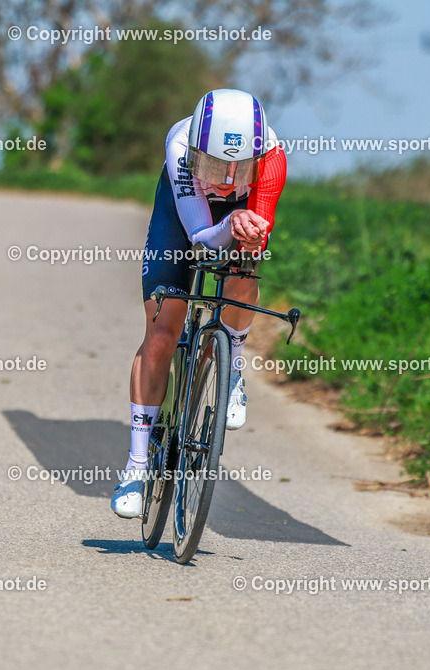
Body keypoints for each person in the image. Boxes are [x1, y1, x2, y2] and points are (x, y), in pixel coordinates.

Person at [111, 89, 287, 518]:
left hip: (240, 215)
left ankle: (232, 366)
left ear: (257, 158)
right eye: (212, 164)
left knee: (246, 264)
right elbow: (201, 241)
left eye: (238, 168)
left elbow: (249, 239)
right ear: (194, 151)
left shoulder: (273, 158)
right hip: (187, 217)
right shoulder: (178, 146)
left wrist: (244, 230)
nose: (226, 180)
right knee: (160, 334)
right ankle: (136, 465)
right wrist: (229, 220)